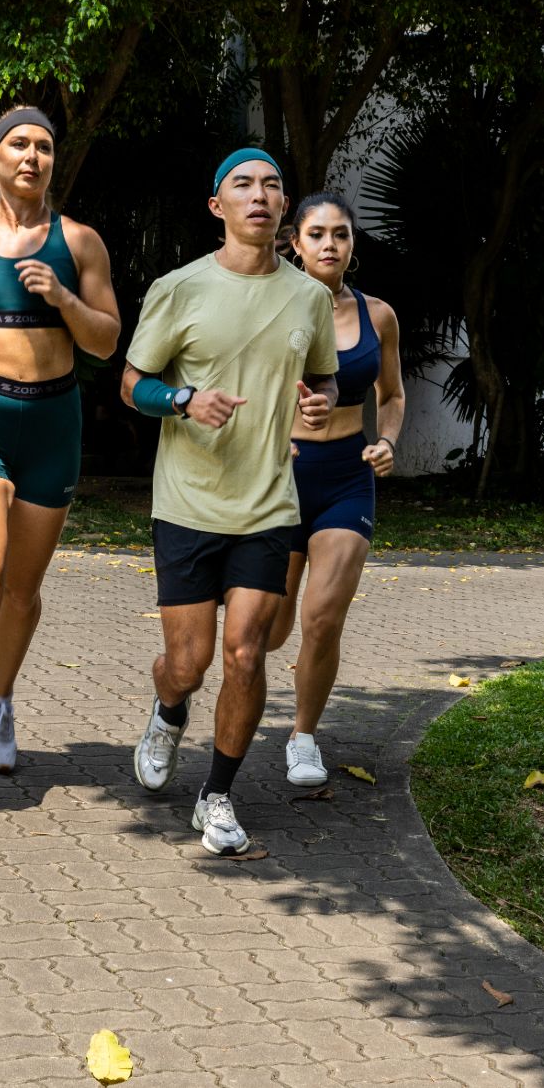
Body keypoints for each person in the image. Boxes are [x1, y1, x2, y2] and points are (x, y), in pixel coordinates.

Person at [123, 148, 338, 856]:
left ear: (283, 209)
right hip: (186, 503)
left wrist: (320, 399)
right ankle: (169, 708)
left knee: (245, 654)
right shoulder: (178, 288)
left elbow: (324, 381)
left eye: (272, 185)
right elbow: (133, 384)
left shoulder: (309, 296)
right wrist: (183, 398)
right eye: (242, 185)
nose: (260, 195)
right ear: (217, 206)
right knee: (188, 662)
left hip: (270, 505)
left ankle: (215, 795)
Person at [0, 106, 120, 815]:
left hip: (52, 427)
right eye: (19, 146)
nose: (32, 157)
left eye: (43, 147)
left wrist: (61, 295)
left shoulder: (80, 242)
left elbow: (104, 340)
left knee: (22, 594)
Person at [269, 192, 405, 788]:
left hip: (347, 478)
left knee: (322, 618)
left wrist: (389, 443)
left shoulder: (379, 316)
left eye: (341, 235)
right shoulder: (267, 306)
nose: (330, 245)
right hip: (278, 477)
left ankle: (303, 736)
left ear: (353, 245)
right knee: (269, 629)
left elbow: (393, 395)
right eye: (317, 234)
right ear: (295, 243)